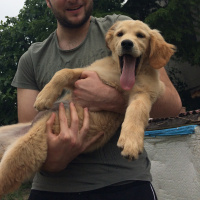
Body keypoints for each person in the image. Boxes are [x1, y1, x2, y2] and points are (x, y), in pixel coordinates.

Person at [11, 0, 182, 199]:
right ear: (47, 2)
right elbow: (27, 132)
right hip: (51, 189)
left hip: (124, 184)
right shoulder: (31, 58)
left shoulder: (123, 26)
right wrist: (54, 161)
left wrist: (110, 99)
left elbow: (172, 107)